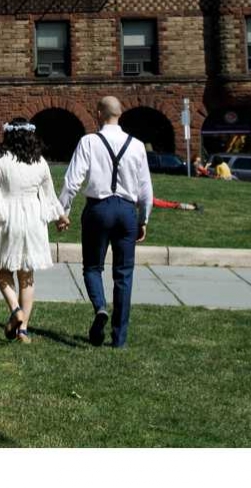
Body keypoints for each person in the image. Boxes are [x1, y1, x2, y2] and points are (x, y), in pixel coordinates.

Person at [56, 96, 153, 348]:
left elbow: (72, 180)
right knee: (124, 274)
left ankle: (100, 307)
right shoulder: (137, 145)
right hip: (126, 211)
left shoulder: (89, 142)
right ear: (120, 114)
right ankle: (119, 338)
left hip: (98, 209)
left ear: (99, 113)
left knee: (92, 267)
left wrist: (62, 210)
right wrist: (143, 219)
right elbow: (145, 191)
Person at [0, 118, 64, 344]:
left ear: (8, 135)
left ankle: (15, 311)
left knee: (3, 271)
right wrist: (60, 217)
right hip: (33, 221)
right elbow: (49, 194)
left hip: (8, 220)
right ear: (30, 136)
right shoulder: (40, 162)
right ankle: (23, 330)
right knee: (27, 276)